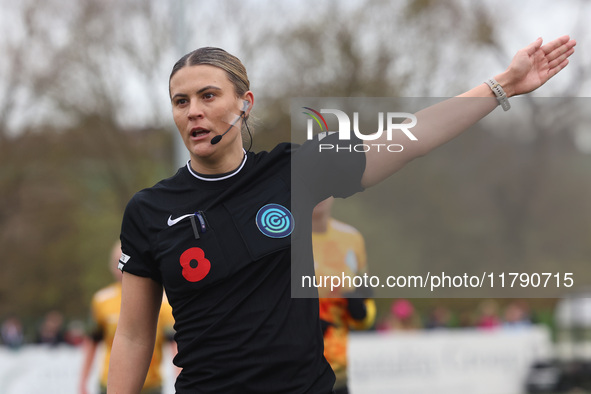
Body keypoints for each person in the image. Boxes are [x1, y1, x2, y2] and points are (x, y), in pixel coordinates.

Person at [108, 36, 576, 393]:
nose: (195, 112)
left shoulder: (294, 171)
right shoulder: (150, 211)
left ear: (244, 104)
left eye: (209, 96)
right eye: (181, 101)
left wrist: (503, 86)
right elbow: (132, 337)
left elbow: (409, 138)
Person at [80, 241, 176, 394]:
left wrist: (180, 377)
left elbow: (174, 345)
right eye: (118, 262)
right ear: (111, 266)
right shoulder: (101, 300)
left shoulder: (163, 302)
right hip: (111, 383)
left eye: (126, 261)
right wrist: (82, 382)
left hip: (151, 385)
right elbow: (92, 342)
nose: (122, 268)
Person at [312, 197, 376, 394]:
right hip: (296, 371)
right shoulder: (282, 237)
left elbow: (366, 306)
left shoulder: (352, 238)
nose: (319, 194)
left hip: (338, 372)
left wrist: (361, 313)